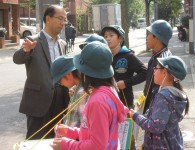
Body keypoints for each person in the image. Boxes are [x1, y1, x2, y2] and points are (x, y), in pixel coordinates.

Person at [51, 41, 129, 150]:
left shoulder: (97, 101)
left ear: (86, 72)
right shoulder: (109, 90)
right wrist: (71, 132)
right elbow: (95, 132)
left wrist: (66, 145)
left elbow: (97, 146)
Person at [13, 5, 70, 139]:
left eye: (65, 20)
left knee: (57, 139)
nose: (63, 23)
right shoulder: (33, 41)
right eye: (60, 18)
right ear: (48, 18)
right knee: (36, 140)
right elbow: (17, 59)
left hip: (60, 99)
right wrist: (26, 50)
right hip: (38, 100)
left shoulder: (62, 44)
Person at [129, 56, 189, 150]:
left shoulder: (163, 96)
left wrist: (136, 116)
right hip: (173, 143)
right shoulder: (174, 93)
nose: (154, 71)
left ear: (164, 72)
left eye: (156, 68)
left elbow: (156, 127)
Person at [101, 25, 147, 109]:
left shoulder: (128, 56)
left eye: (111, 35)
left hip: (125, 104)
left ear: (120, 39)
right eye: (105, 36)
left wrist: (126, 83)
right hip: (106, 103)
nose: (107, 38)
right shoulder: (103, 56)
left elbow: (145, 73)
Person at [143, 19, 173, 114]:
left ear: (156, 37)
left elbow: (159, 89)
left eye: (148, 34)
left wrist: (150, 111)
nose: (146, 38)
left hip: (157, 112)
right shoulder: (156, 55)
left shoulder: (163, 60)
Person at [50, 55, 87, 130]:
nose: (61, 84)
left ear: (68, 75)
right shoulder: (76, 89)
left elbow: (85, 127)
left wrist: (66, 131)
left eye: (59, 81)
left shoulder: (82, 92)